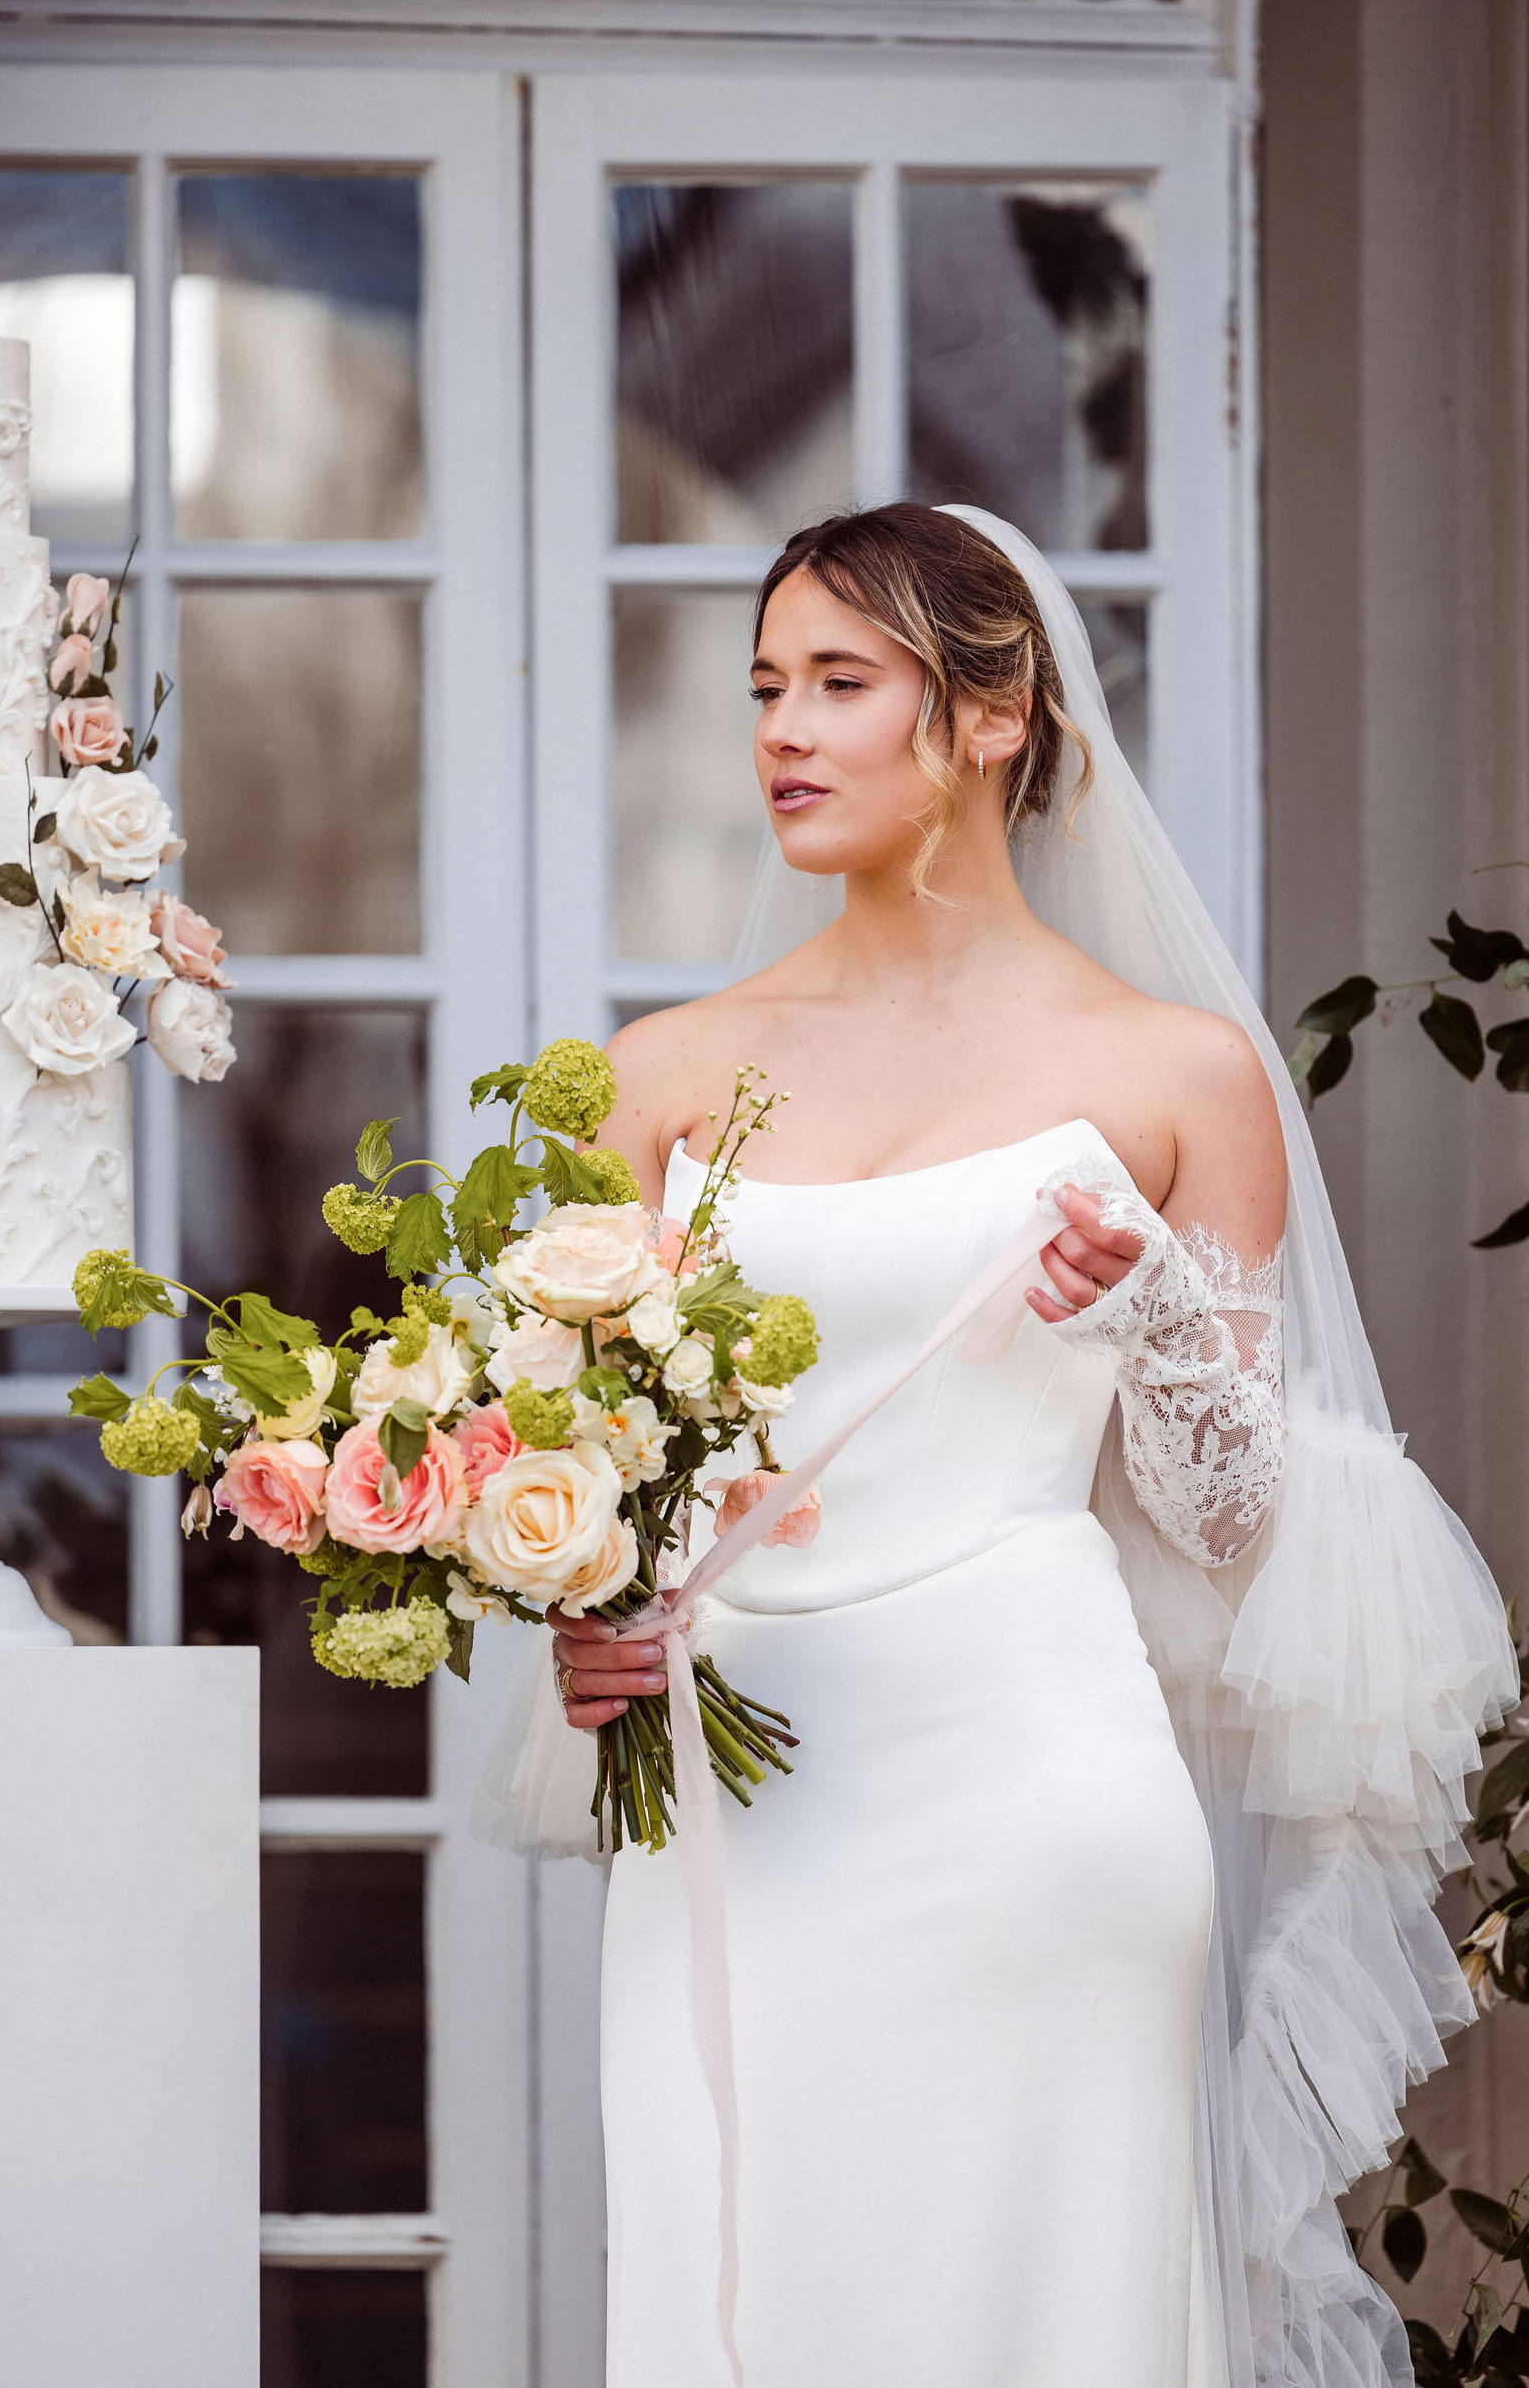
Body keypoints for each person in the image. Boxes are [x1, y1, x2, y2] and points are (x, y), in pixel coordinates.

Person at [477, 505, 1519, 2388]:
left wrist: (1144, 1313)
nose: (783, 729)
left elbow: (1230, 1521)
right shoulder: (657, 1079)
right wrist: (587, 1617)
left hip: (1038, 1806)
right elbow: (588, 1476)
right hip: (743, 1804)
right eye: (766, 688)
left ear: (994, 714)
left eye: (841, 684)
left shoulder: (1179, 1077)